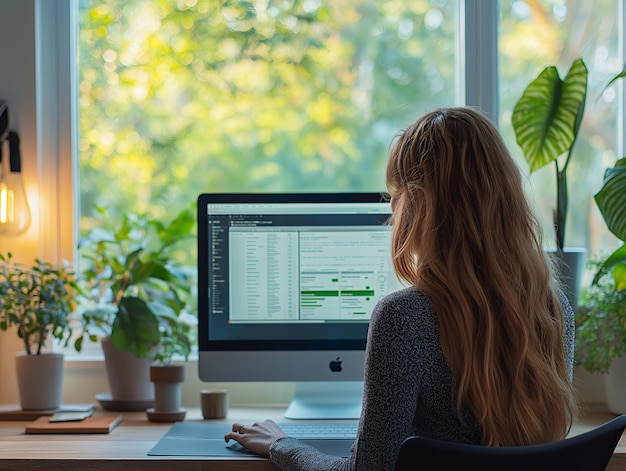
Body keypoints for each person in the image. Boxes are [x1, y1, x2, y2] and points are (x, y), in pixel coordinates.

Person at [224, 106, 579, 470]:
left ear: (421, 206)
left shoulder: (406, 317)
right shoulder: (554, 310)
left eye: (397, 192)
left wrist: (282, 445)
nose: (392, 207)